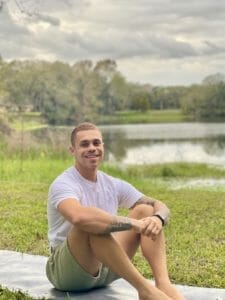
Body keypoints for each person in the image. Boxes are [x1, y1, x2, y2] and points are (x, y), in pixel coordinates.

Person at [46, 122, 184, 300]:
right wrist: (133, 224)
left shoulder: (112, 183)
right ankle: (146, 291)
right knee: (92, 224)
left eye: (96, 143)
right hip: (69, 273)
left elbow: (159, 205)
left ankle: (163, 284)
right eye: (84, 144)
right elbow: (78, 217)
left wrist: (158, 218)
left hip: (106, 269)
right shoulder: (63, 184)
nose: (92, 148)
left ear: (103, 146)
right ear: (72, 150)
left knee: (145, 210)